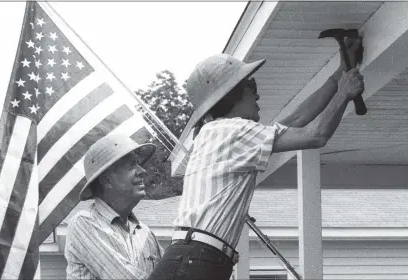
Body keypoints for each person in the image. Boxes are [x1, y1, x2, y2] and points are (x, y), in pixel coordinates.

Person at [147, 39, 364, 280]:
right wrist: (344, 93)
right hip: (196, 262)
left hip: (195, 260)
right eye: (251, 85)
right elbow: (316, 134)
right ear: (233, 94)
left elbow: (296, 120)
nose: (258, 94)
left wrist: (339, 75)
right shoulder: (231, 131)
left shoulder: (221, 133)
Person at [64, 133, 164, 279]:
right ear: (106, 180)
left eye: (139, 164)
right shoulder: (85, 223)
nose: (142, 171)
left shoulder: (146, 233)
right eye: (131, 165)